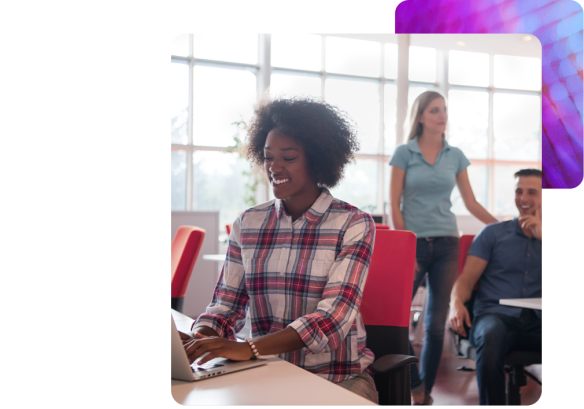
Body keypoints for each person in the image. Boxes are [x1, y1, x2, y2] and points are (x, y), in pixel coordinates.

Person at [178, 94, 379, 404]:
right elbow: (225, 305)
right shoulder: (248, 223)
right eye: (269, 156)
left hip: (336, 377)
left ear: (316, 158)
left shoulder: (353, 223)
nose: (275, 166)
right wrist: (202, 339)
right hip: (262, 372)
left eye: (288, 156)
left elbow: (332, 319)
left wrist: (250, 348)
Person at [390, 90, 499, 406]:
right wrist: (404, 247)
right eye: (435, 110)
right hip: (414, 244)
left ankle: (425, 394)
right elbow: (394, 204)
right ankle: (414, 385)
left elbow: (471, 203)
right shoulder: (404, 153)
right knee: (397, 321)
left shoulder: (455, 155)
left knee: (436, 325)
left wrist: (503, 226)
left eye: (444, 110)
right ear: (421, 116)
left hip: (447, 243)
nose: (442, 115)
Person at [449, 169, 542, 406]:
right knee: (490, 336)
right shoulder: (492, 234)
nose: (523, 198)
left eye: (532, 192)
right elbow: (467, 279)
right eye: (519, 191)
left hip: (537, 320)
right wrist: (456, 303)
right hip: (496, 316)